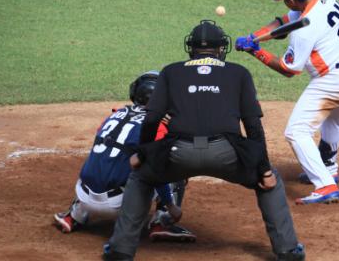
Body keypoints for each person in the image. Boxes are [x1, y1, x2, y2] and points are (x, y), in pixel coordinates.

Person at [103, 20, 305, 261]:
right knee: (270, 183)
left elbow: (152, 119)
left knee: (141, 177)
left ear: (191, 48)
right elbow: (253, 127)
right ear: (222, 49)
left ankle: (120, 251)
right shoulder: (238, 73)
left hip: (177, 154)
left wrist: (144, 154)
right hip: (226, 153)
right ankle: (288, 251)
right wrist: (263, 170)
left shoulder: (171, 71)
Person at [235, 0, 339, 205]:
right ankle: (329, 166)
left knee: (296, 131)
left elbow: (289, 69)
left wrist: (255, 51)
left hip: (336, 78)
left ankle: (326, 185)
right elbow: (284, 22)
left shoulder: (304, 32)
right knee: (332, 120)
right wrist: (254, 37)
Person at [53, 71, 196, 242]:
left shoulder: (114, 115)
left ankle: (73, 216)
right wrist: (172, 206)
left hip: (84, 196)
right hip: (116, 205)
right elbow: (157, 169)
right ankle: (162, 223)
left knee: (104, 155)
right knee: (173, 164)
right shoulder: (156, 126)